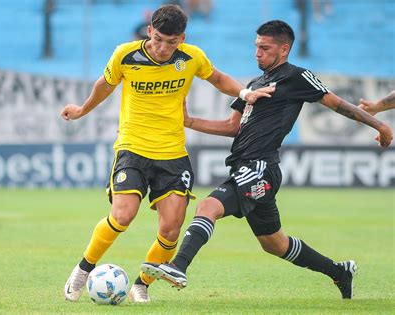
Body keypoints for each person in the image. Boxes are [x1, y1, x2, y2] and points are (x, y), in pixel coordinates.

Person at [141, 20, 393, 300]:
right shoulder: (254, 84)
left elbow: (338, 105)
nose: (257, 53)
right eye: (256, 47)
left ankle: (178, 266)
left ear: (284, 49)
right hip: (244, 167)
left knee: (208, 206)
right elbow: (232, 126)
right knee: (274, 244)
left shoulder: (296, 77)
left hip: (260, 166)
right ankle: (339, 271)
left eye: (265, 48)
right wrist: (189, 121)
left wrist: (379, 125)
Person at [60, 4, 274, 303]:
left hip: (172, 153)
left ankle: (142, 283)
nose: (163, 48)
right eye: (158, 39)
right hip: (132, 147)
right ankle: (83, 269)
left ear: (182, 39)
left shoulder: (191, 57)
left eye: (171, 42)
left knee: (171, 229)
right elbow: (104, 85)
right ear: (150, 31)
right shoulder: (125, 54)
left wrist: (244, 93)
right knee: (123, 215)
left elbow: (218, 78)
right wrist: (81, 110)